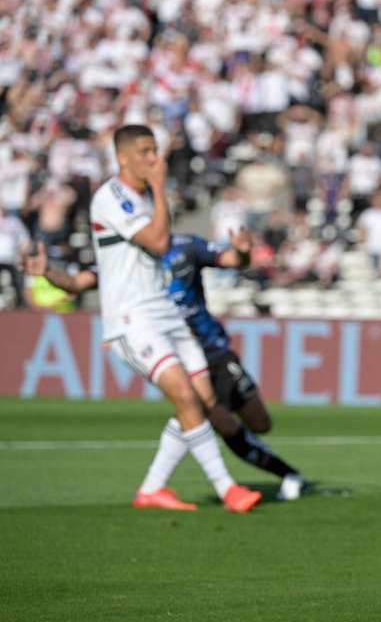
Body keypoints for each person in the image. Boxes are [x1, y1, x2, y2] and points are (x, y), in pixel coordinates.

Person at [23, 233, 309, 501]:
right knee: (204, 412)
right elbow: (76, 283)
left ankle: (154, 487)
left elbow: (233, 261)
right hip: (172, 352)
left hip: (211, 348)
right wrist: (47, 272)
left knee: (260, 423)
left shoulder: (186, 246)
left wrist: (243, 254)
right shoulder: (125, 259)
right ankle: (277, 476)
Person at [87, 124, 262, 513]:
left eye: (156, 150)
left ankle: (152, 489)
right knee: (184, 396)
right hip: (134, 318)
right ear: (122, 157)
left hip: (165, 312)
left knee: (201, 401)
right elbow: (159, 242)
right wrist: (160, 188)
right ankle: (228, 489)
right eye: (146, 151)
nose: (155, 159)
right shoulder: (113, 198)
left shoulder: (140, 198)